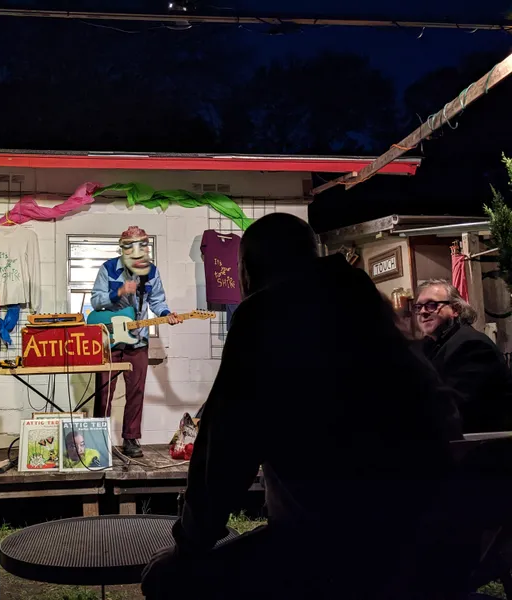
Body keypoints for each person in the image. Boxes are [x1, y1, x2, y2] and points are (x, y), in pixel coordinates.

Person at [142, 214, 460, 600]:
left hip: (337, 545)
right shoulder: (364, 303)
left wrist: (189, 545)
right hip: (433, 532)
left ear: (247, 270)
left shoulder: (265, 314)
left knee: (167, 582)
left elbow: (224, 451)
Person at [91, 226, 182, 458]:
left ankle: (130, 439)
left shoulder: (150, 272)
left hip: (137, 340)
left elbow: (157, 300)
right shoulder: (108, 269)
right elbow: (95, 301)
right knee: (104, 393)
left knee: (136, 391)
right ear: (123, 249)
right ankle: (97, 440)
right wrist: (119, 292)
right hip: (109, 340)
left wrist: (166, 314)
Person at [415, 279, 512, 433]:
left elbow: (454, 408)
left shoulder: (472, 345)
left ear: (456, 309)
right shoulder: (428, 345)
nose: (423, 312)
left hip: (481, 445)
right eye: (418, 307)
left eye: (432, 305)